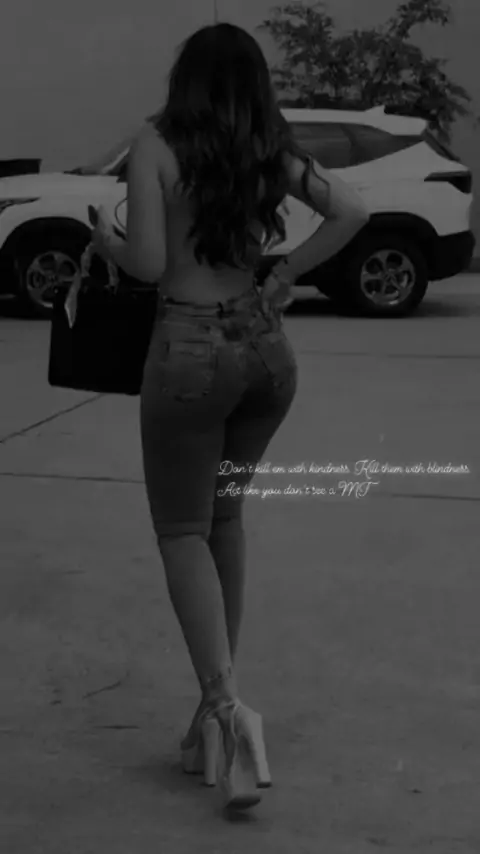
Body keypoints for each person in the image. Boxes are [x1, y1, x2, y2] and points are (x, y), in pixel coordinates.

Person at [91, 22, 369, 813]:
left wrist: (106, 244)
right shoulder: (267, 148)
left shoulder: (154, 145)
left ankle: (226, 710)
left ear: (185, 79)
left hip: (188, 350)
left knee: (182, 531)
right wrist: (284, 276)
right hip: (264, 351)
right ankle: (212, 713)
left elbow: (150, 263)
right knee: (223, 522)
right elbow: (351, 210)